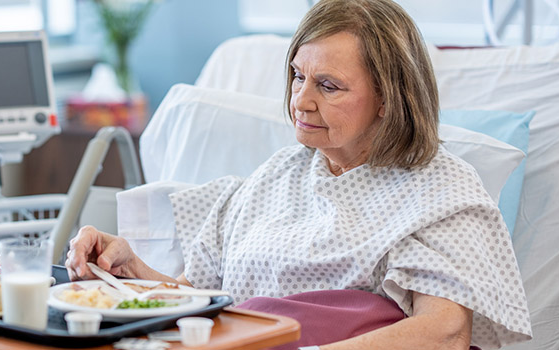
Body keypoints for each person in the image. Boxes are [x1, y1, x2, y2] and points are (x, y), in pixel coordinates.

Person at [66, 0, 532, 349]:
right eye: (297, 76)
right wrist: (129, 273)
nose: (301, 101)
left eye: (328, 86)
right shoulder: (276, 175)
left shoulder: (438, 188)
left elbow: (445, 333)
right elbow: (199, 300)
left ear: (388, 99)